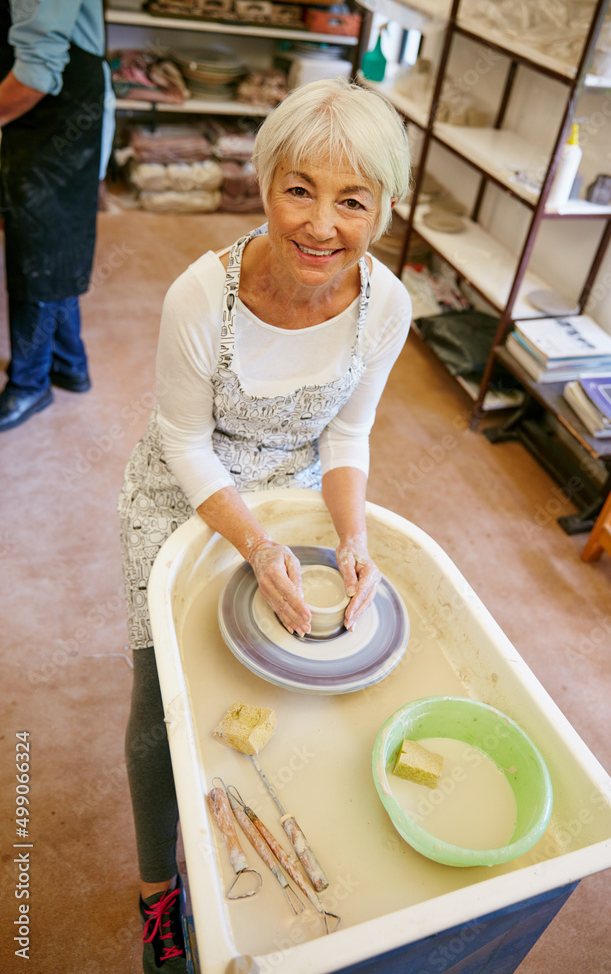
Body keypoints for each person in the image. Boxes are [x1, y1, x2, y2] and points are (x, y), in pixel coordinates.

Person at [118, 77, 412, 973]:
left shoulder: (387, 305)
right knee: (160, 697)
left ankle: (257, 837)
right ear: (264, 182)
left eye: (351, 201)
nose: (321, 225)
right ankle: (154, 890)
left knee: (294, 679)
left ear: (382, 209)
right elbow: (182, 440)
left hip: (292, 485)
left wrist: (352, 539)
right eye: (300, 190)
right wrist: (253, 543)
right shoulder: (198, 296)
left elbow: (348, 433)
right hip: (185, 490)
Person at [0, 0, 114, 432]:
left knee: (38, 250)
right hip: (51, 108)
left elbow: (35, 73)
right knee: (52, 242)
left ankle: (30, 384)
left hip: (58, 109)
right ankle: (70, 364)